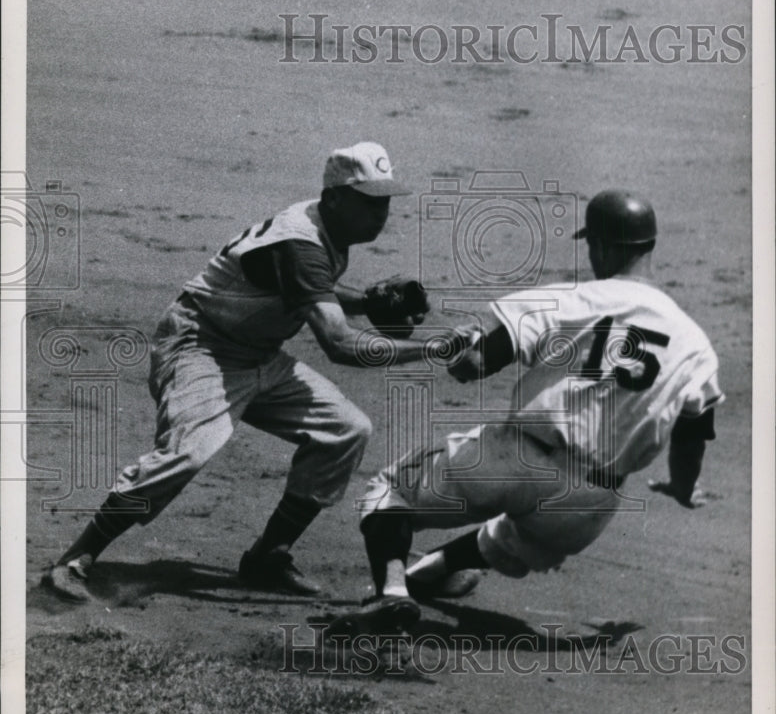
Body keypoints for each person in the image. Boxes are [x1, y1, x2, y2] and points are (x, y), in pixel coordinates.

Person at [44, 142, 459, 602]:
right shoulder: (302, 241)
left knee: (346, 431)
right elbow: (339, 344)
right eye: (369, 202)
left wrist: (364, 302)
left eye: (385, 202)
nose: (380, 214)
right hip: (198, 346)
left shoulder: (327, 230)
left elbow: (308, 287)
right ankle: (75, 558)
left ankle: (268, 556)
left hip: (260, 355)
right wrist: (432, 349)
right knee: (189, 453)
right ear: (336, 196)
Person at [343, 189, 724, 633]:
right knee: (514, 541)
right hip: (589, 503)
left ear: (600, 246)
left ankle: (391, 595)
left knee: (390, 489)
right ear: (650, 246)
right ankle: (424, 576)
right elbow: (693, 435)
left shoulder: (571, 299)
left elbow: (473, 367)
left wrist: (461, 345)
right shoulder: (695, 343)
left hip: (516, 459)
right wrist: (681, 487)